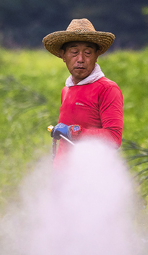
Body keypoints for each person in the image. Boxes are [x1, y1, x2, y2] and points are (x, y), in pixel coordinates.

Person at [42, 18, 123, 162]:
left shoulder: (107, 89)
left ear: (96, 56)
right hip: (63, 173)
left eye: (87, 53)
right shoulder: (66, 90)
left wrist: (73, 132)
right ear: (63, 55)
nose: (80, 59)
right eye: (74, 52)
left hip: (89, 173)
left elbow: (114, 137)